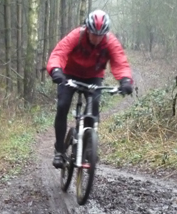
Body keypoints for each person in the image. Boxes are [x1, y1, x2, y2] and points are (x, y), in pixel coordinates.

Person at [46, 9, 133, 168]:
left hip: (94, 76)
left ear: (105, 33)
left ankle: (87, 147)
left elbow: (120, 62)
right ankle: (59, 150)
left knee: (93, 109)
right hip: (69, 74)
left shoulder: (110, 42)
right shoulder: (76, 36)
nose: (97, 38)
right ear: (87, 29)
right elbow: (59, 53)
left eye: (100, 35)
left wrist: (125, 80)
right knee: (62, 105)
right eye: (93, 34)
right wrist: (56, 70)